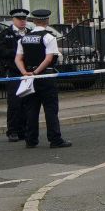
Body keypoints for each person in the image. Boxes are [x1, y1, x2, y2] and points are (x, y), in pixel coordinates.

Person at [15, 9, 71, 149]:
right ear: (47, 21)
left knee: (31, 109)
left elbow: (18, 58)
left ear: (33, 21)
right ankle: (55, 139)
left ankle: (31, 140)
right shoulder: (48, 37)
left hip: (29, 77)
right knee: (50, 109)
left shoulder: (24, 38)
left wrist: (25, 72)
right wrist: (36, 72)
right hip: (45, 76)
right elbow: (49, 58)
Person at [0, 8, 29, 142]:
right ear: (13, 20)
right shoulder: (5, 34)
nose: (22, 21)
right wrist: (18, 53)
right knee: (15, 103)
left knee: (27, 102)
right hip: (13, 71)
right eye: (19, 19)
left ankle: (23, 130)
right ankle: (12, 131)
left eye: (24, 19)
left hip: (28, 72)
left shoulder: (29, 34)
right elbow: (0, 51)